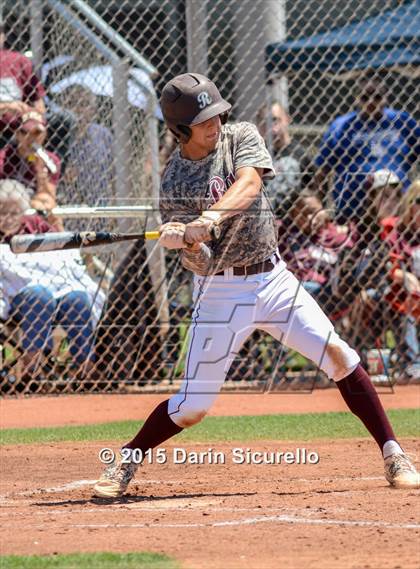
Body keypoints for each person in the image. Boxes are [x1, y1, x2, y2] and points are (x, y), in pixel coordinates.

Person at [93, 72, 419, 498]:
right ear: (180, 129)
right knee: (192, 408)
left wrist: (210, 217)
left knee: (339, 355)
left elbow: (249, 183)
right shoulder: (174, 180)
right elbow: (201, 263)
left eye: (217, 114)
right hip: (220, 292)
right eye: (204, 119)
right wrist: (184, 242)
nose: (215, 123)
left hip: (273, 278)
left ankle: (394, 453)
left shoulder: (240, 135)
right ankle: (127, 459)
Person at [0, 179, 105, 379]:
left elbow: (60, 246)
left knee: (78, 297)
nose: (7, 218)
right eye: (1, 212)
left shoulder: (34, 225)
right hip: (17, 296)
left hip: (56, 288)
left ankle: (85, 366)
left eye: (13, 213)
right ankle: (32, 368)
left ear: (23, 214)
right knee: (40, 295)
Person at [314, 78, 420, 222]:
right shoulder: (341, 126)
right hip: (352, 211)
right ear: (357, 99)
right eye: (365, 97)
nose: (371, 102)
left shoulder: (402, 121)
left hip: (396, 208)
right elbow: (322, 169)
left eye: (377, 97)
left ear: (385, 98)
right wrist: (319, 205)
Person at [0, 111, 61, 227]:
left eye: (36, 133)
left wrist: (40, 171)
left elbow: (49, 195)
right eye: (24, 132)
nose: (30, 138)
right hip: (8, 204)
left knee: (48, 202)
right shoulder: (3, 158)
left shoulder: (50, 160)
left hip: (34, 202)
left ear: (45, 134)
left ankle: (63, 241)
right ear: (17, 134)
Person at [256, 101, 314, 218]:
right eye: (265, 123)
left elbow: (313, 189)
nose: (272, 127)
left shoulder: (301, 155)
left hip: (292, 220)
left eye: (275, 120)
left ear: (287, 120)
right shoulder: (255, 155)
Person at [0, 21, 46, 148]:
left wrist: (34, 114)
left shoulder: (18, 60)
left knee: (64, 119)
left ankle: (51, 165)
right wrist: (6, 107)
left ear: (3, 36)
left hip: (20, 126)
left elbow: (38, 102)